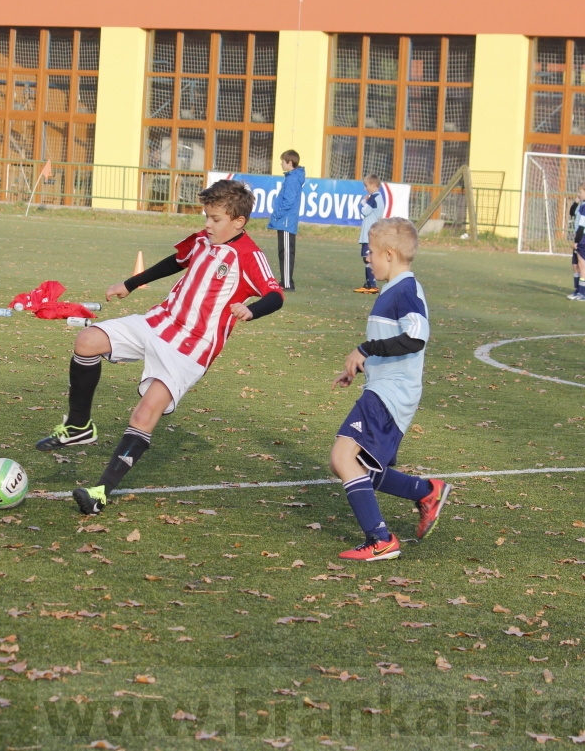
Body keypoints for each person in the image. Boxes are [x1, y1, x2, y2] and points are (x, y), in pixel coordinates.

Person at [35, 179, 284, 515]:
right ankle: (79, 426)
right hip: (159, 321)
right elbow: (175, 262)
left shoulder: (249, 255)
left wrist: (251, 310)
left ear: (238, 221)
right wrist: (131, 283)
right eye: (206, 216)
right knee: (87, 340)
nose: (207, 224)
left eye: (215, 219)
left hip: (191, 348)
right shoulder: (202, 240)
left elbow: (275, 295)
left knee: (144, 413)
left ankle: (100, 493)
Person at [329, 217, 451, 561]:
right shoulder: (392, 290)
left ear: (389, 254)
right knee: (358, 466)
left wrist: (366, 349)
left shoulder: (406, 291)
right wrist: (362, 366)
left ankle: (380, 539)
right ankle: (426, 492)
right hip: (382, 388)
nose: (367, 258)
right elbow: (392, 343)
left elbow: (415, 337)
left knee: (343, 458)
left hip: (391, 395)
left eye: (370, 252)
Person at [268, 149, 304, 291]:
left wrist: (278, 214)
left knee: (287, 252)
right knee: (283, 251)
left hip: (286, 221)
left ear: (289, 163)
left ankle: (288, 283)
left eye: (283, 161)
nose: (281, 164)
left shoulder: (293, 179)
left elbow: (288, 201)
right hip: (284, 221)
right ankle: (284, 281)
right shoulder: (291, 177)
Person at [354, 173, 385, 294]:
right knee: (367, 259)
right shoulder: (379, 197)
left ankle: (372, 285)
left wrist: (363, 202)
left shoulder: (373, 198)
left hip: (369, 234)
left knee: (368, 259)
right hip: (372, 232)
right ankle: (368, 284)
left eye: (366, 185)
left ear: (373, 185)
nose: (365, 188)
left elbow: (365, 211)